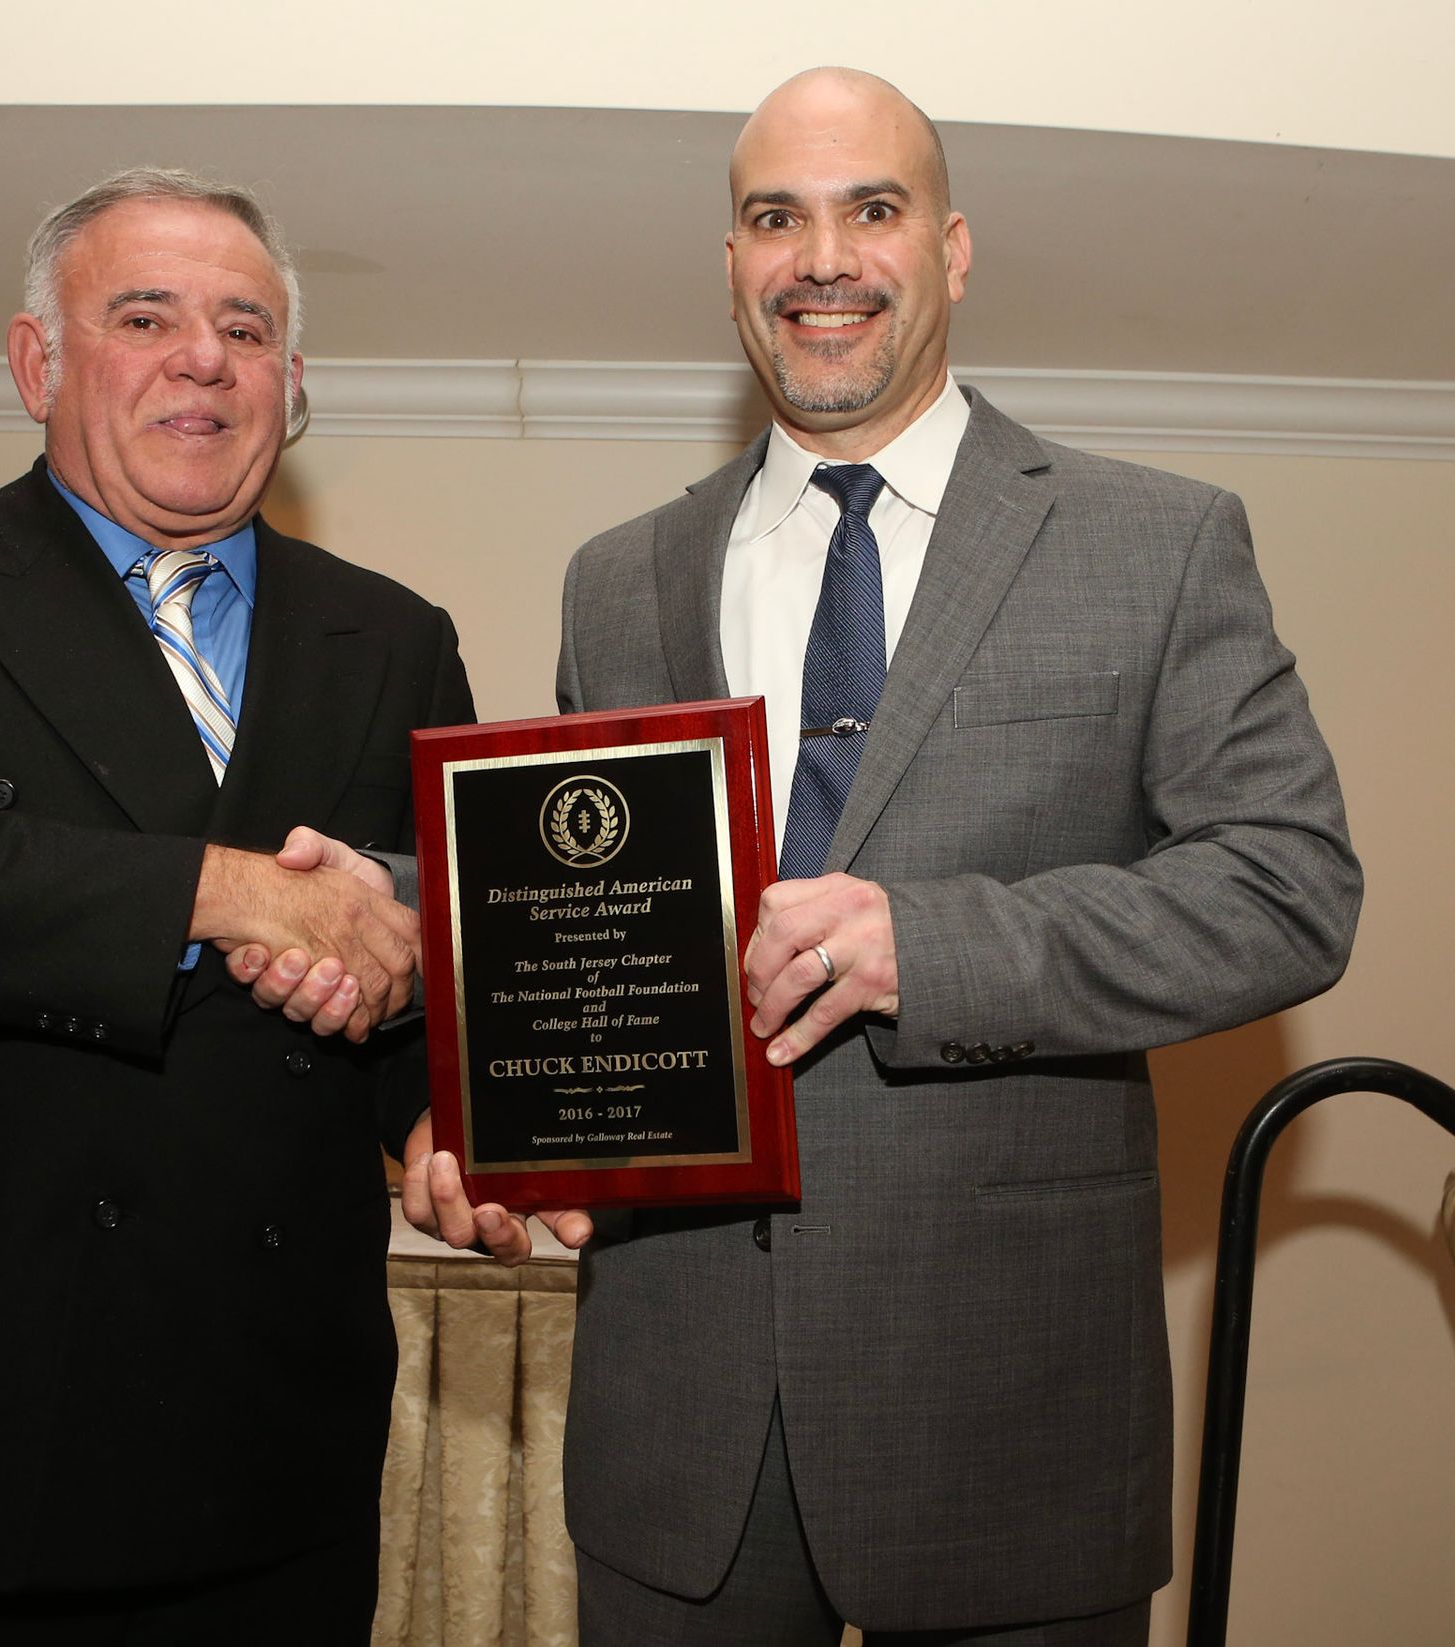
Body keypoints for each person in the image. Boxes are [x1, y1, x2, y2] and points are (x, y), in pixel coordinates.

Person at [410, 67, 1361, 1645]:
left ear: (955, 248)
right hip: (679, 1420)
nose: (820, 257)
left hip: (1010, 1417)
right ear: (732, 263)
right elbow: (597, 932)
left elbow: (1286, 888)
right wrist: (516, 1118)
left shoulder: (1158, 542)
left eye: (872, 209)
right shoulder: (620, 578)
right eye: (774, 217)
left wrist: (929, 945)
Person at [0, 167, 473, 1644]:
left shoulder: (393, 637)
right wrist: (229, 892)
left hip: (277, 1451)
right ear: (38, 365)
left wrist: (437, 1120)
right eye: (148, 316)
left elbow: (409, 962)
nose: (205, 357)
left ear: (294, 385)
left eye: (246, 329)